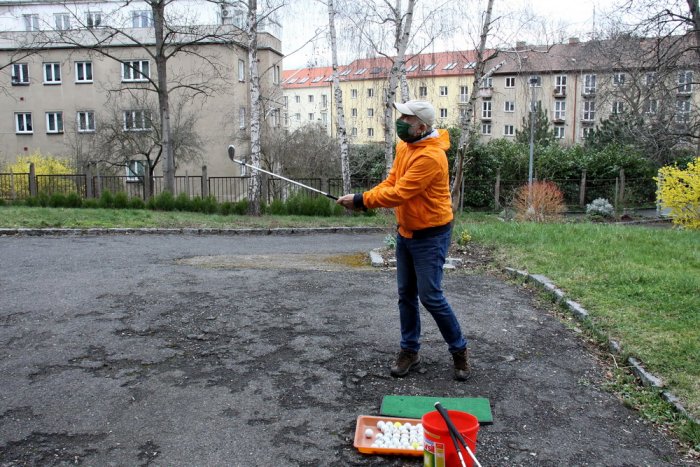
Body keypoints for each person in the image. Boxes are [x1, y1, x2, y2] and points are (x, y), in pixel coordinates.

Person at [337, 100, 470, 381]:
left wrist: (361, 201)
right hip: (406, 231)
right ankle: (410, 350)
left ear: (421, 126)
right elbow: (392, 181)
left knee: (430, 297)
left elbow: (400, 193)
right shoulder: (405, 146)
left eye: (406, 118)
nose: (400, 121)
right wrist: (363, 197)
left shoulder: (431, 157)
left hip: (431, 234)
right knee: (406, 295)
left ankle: (459, 351)